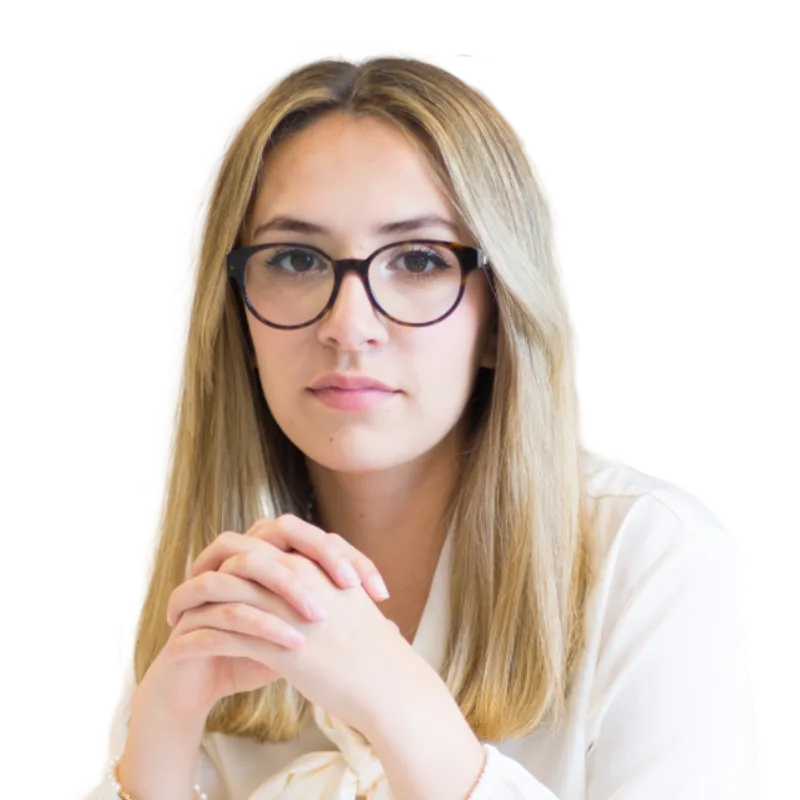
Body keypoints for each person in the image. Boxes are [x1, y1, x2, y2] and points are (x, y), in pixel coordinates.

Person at [78, 48, 759, 799]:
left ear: (501, 316)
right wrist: (158, 744)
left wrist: (397, 704)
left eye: (419, 260)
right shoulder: (205, 573)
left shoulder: (653, 561)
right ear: (237, 315)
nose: (349, 326)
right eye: (297, 260)